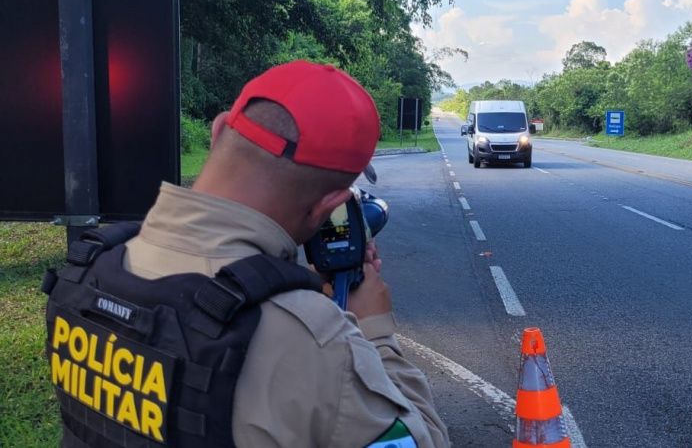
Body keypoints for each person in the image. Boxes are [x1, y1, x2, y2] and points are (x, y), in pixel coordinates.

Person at [46, 61, 450, 447]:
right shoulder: (317, 341)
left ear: (218, 131)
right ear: (327, 207)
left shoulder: (88, 268)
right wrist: (374, 331)